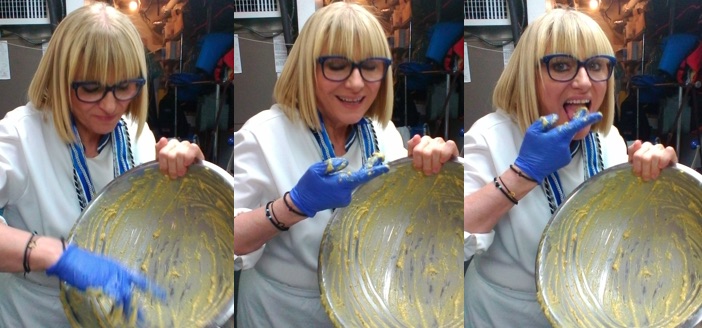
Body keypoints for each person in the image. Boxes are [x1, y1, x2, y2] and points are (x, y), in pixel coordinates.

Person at [233, 2, 459, 326]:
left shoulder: (383, 132)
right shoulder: (261, 136)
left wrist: (428, 180)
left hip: (366, 305)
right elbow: (228, 239)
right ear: (305, 68)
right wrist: (293, 206)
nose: (356, 83)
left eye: (370, 67)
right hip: (283, 311)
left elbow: (400, 229)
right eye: (337, 66)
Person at [463, 7, 678, 327]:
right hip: (505, 315)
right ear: (528, 76)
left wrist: (650, 188)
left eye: (595, 66)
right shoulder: (490, 135)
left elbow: (620, 235)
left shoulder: (607, 138)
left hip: (586, 310)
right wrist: (524, 173)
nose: (583, 82)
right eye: (561, 65)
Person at [0, 3, 205, 327]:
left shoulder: (135, 133)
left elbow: (161, 220)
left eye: (124, 86)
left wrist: (186, 172)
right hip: (38, 315)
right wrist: (54, 254)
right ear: (60, 77)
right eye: (91, 88)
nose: (111, 106)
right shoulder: (19, 137)